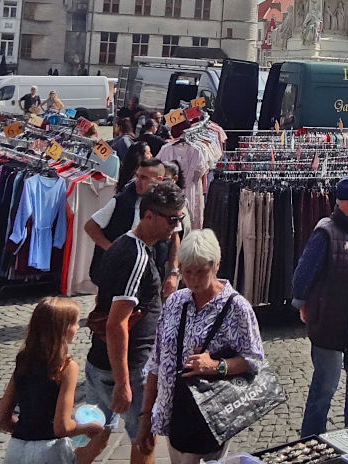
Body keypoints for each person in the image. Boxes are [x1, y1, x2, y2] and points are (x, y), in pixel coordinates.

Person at [139, 229, 265, 464]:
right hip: (174, 412)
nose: (194, 279)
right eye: (188, 272)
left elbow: (254, 360)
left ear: (216, 265)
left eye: (201, 272)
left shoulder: (237, 308)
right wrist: (147, 416)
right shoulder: (176, 302)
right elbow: (156, 360)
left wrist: (216, 366)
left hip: (210, 415)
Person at [85, 181, 186, 464]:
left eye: (180, 219)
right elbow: (116, 323)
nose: (176, 227)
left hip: (101, 362)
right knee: (144, 438)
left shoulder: (123, 244)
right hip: (130, 366)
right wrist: (123, 382)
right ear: (149, 215)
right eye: (172, 219)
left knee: (94, 433)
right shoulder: (136, 257)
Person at [292, 175, 348, 436]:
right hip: (331, 321)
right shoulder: (325, 233)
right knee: (325, 386)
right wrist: (302, 305)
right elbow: (302, 275)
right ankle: (310, 440)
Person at [0, 296, 110, 464]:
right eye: (75, 323)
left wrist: (28, 430)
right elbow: (62, 427)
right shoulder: (66, 367)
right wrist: (91, 428)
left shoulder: (24, 360)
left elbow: (1, 420)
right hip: (49, 451)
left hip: (16, 449)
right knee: (101, 435)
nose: (78, 327)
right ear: (63, 329)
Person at [85, 159, 179, 296]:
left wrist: (173, 273)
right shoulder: (122, 200)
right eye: (137, 176)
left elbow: (175, 239)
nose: (137, 181)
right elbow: (90, 226)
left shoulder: (167, 205)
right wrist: (112, 249)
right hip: (120, 273)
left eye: (144, 178)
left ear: (158, 179)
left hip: (152, 273)